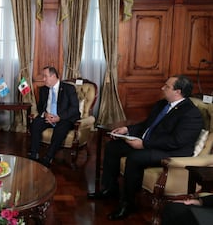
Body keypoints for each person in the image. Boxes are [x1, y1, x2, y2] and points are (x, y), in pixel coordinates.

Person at [87, 75, 204, 220]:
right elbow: (146, 125)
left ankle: (128, 204)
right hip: (150, 143)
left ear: (178, 91)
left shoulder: (191, 113)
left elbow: (176, 141)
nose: (162, 88)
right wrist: (126, 130)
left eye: (166, 86)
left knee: (135, 157)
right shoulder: (162, 104)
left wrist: (144, 144)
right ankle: (110, 189)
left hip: (171, 152)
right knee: (113, 147)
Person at [28, 66, 80, 168]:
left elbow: (74, 108)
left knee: (60, 129)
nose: (43, 79)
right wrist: (45, 114)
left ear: (53, 76)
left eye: (45, 76)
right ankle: (34, 154)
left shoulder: (68, 89)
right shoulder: (43, 90)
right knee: (35, 123)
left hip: (63, 119)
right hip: (48, 117)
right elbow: (40, 107)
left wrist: (59, 117)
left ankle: (48, 157)